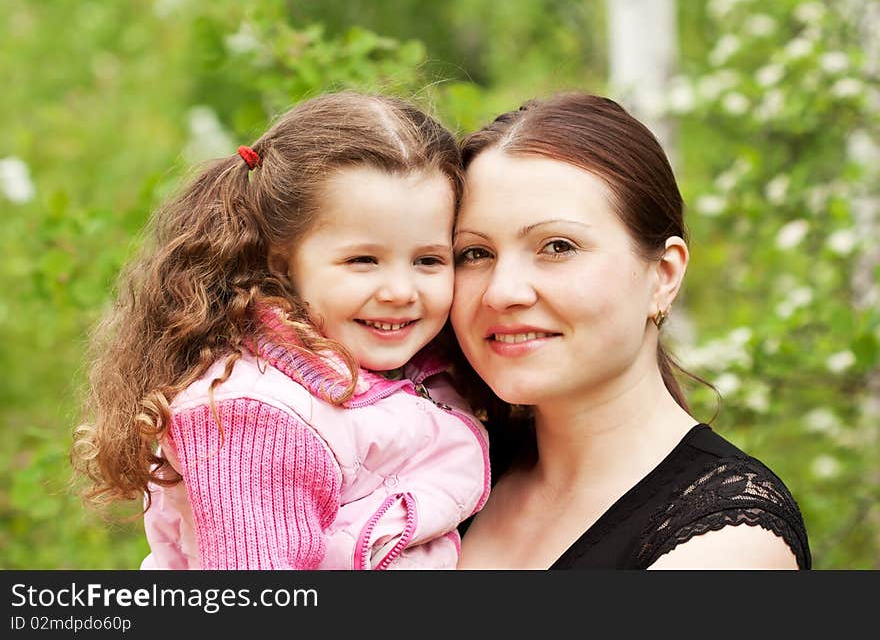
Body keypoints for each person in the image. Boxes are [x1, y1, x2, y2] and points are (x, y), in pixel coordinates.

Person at [72, 91, 490, 570]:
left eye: (428, 260)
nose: (400, 290)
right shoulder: (254, 417)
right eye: (362, 260)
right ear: (281, 262)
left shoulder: (412, 367)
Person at [450, 92, 811, 569]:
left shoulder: (727, 545)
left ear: (663, 275)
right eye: (475, 253)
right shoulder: (444, 471)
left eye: (557, 246)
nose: (502, 292)